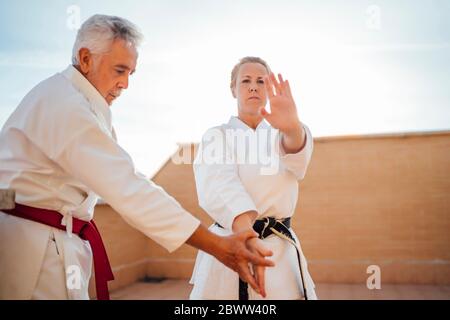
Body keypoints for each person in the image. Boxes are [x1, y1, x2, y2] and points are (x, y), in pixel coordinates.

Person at [0, 16, 273, 300]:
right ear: (85, 58)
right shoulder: (65, 105)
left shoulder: (77, 102)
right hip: (32, 254)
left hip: (51, 243)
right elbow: (127, 187)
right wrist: (216, 245)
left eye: (131, 72)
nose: (126, 84)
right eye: (120, 70)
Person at [189, 56, 318, 300]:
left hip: (280, 252)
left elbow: (299, 163)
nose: (253, 86)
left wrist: (292, 128)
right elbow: (220, 185)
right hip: (231, 246)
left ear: (269, 89)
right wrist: (246, 234)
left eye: (261, 81)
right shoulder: (217, 135)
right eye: (245, 80)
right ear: (233, 89)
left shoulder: (286, 132)